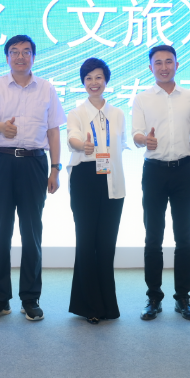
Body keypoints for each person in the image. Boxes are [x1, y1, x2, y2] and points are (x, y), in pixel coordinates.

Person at [0, 35, 66, 321]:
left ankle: (30, 298)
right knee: (0, 233)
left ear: (33, 57)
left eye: (26, 52)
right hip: (0, 162)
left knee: (31, 233)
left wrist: (55, 168)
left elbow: (54, 131)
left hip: (34, 163)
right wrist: (1, 128)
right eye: (14, 52)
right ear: (7, 57)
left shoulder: (47, 88)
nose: (20, 57)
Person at [132, 44, 190, 321]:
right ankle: (153, 297)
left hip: (184, 171)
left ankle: (183, 298)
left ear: (177, 64)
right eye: (158, 63)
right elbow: (136, 134)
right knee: (153, 236)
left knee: (185, 237)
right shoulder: (142, 98)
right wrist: (145, 140)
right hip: (154, 172)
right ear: (150, 67)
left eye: (169, 61)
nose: (164, 67)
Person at [66, 58, 129, 324]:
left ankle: (108, 305)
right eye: (89, 78)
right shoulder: (76, 113)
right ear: (83, 82)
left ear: (106, 81)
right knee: (86, 242)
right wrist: (83, 145)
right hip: (85, 178)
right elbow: (72, 137)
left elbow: (120, 145)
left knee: (106, 244)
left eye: (99, 77)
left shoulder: (118, 114)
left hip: (112, 180)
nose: (94, 83)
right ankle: (89, 305)